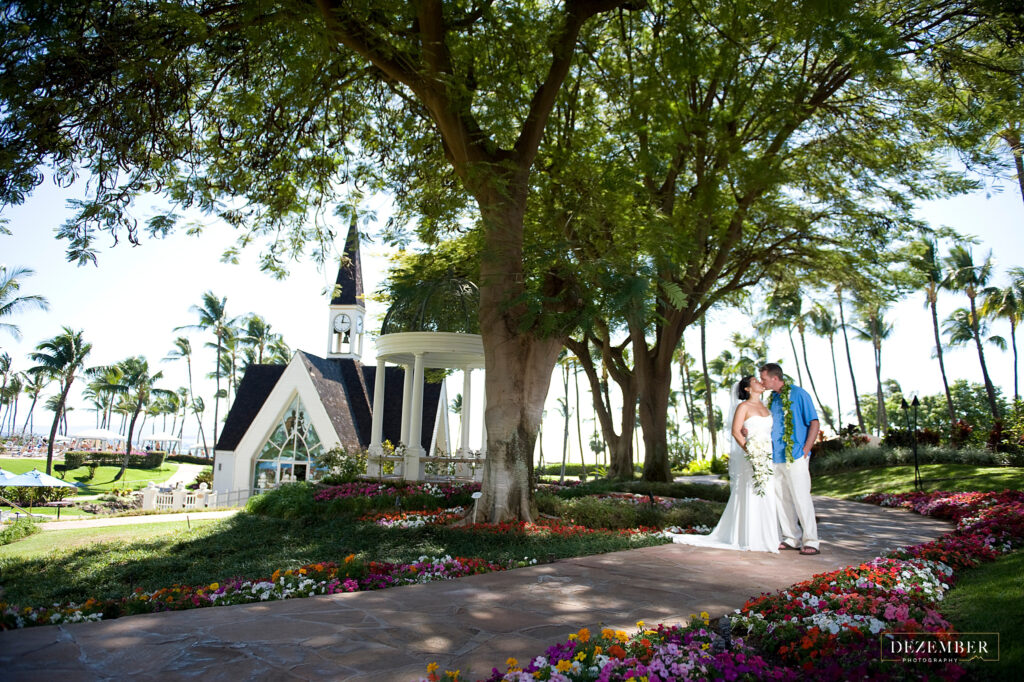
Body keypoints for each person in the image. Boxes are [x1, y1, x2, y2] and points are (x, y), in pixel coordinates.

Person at [670, 376, 780, 552]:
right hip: (752, 455)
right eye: (755, 381)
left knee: (767, 493)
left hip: (767, 455)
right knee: (751, 492)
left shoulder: (766, 406)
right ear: (747, 389)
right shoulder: (743, 407)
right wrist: (751, 453)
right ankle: (749, 537)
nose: (760, 382)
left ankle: (768, 537)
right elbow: (736, 432)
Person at [758, 362, 821, 556]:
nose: (762, 382)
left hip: (795, 455)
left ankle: (811, 541)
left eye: (764, 379)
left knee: (801, 497)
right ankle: (791, 537)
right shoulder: (772, 400)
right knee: (781, 498)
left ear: (775, 378)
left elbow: (814, 422)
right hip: (775, 456)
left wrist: (806, 449)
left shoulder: (799, 394)